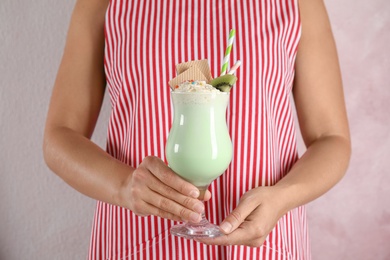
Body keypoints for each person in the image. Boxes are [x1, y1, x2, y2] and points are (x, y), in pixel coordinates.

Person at [43, 0, 351, 259]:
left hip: (263, 245)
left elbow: (331, 139)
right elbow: (60, 136)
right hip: (138, 239)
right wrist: (124, 186)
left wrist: (283, 197)